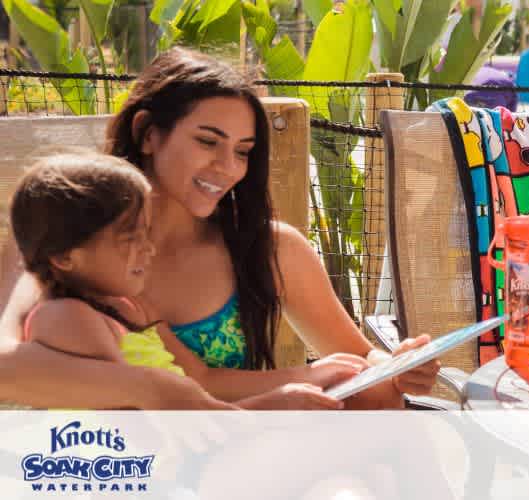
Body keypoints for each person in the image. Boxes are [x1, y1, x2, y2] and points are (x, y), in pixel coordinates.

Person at [0, 47, 439, 409]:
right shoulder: (62, 238)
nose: (228, 167)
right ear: (148, 133)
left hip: (231, 446)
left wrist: (397, 363)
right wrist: (153, 389)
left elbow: (359, 362)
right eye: (208, 142)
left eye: (244, 151)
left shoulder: (269, 250)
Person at [12, 152, 363, 409]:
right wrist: (270, 409)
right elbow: (134, 427)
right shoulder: (66, 320)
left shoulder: (130, 309)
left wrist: (308, 376)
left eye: (145, 233)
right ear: (64, 257)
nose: (148, 249)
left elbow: (198, 378)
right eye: (129, 238)